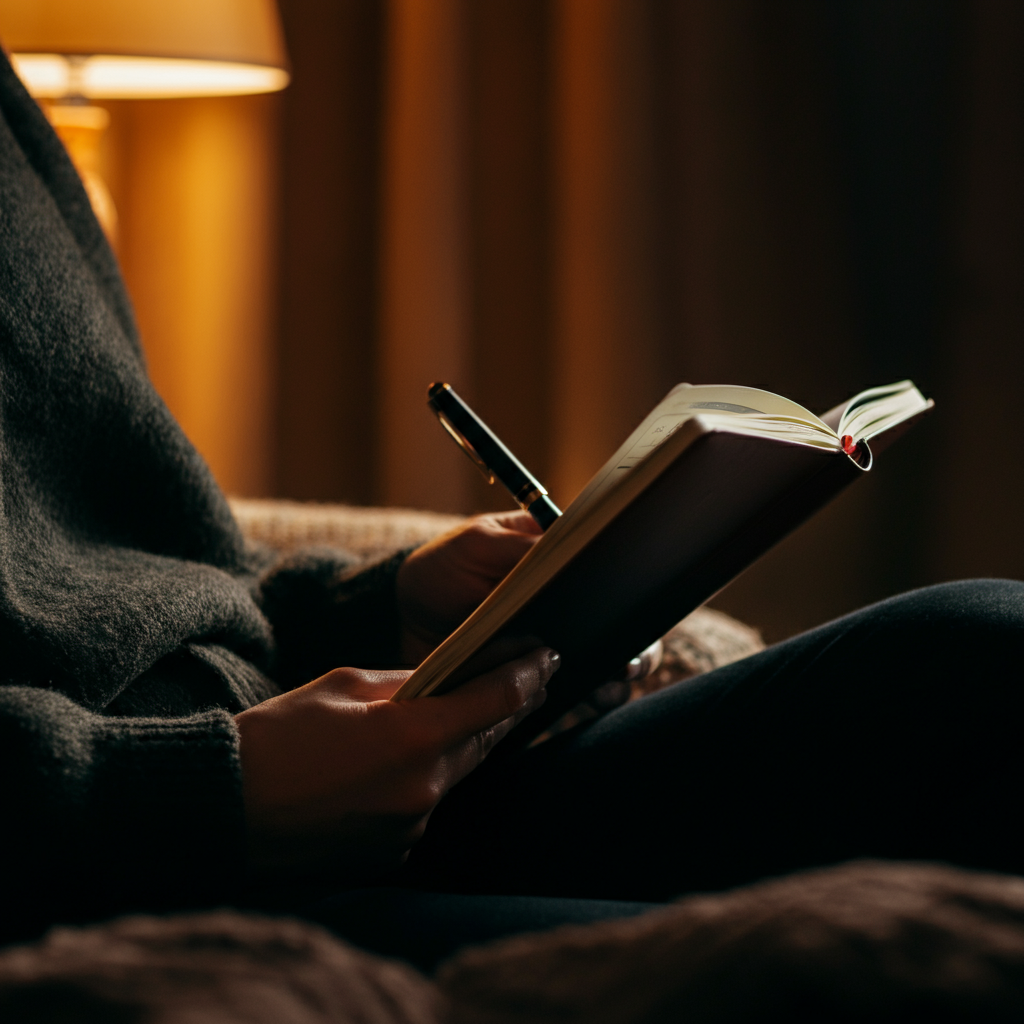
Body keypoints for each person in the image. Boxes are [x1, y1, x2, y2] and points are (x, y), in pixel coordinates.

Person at [0, 51, 1020, 972]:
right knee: (851, 969)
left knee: (982, 649)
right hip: (131, 863)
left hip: (312, 792)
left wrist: (383, 607)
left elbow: (121, 571)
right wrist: (184, 794)